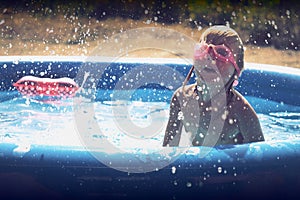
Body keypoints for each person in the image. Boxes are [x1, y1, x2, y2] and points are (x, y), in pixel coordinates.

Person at [163, 25, 264, 147]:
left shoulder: (241, 112)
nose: (210, 59)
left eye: (221, 52)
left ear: (237, 70)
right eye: (202, 50)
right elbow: (167, 151)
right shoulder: (181, 98)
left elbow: (260, 157)